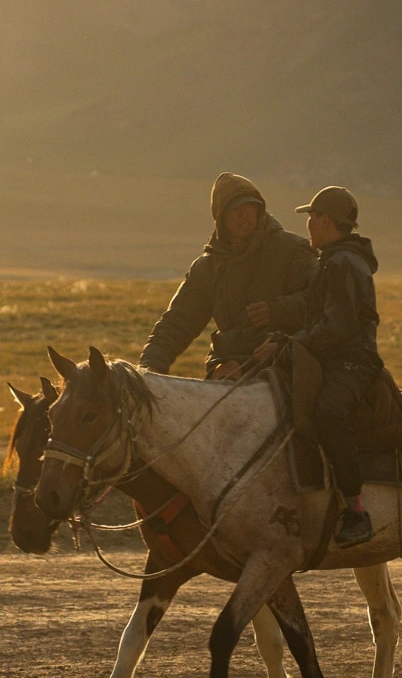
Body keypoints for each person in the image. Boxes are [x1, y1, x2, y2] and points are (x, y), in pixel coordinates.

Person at [255, 185, 380, 548]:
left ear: (325, 221)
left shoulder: (343, 263)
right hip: (331, 356)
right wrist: (284, 339)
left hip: (352, 361)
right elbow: (321, 323)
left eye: (311, 217)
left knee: (328, 413)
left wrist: (293, 344)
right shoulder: (334, 259)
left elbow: (338, 328)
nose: (307, 224)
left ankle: (356, 510)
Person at [138, 174, 317, 378]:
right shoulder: (208, 268)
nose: (245, 214)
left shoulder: (293, 251)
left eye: (251, 206)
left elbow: (325, 302)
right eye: (236, 208)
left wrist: (277, 310)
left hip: (284, 357)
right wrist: (150, 368)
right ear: (221, 216)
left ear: (260, 209)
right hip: (228, 363)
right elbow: (178, 322)